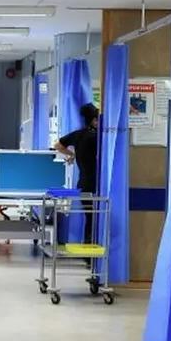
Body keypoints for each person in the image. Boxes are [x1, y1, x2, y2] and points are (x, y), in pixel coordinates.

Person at [53, 102, 100, 244]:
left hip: (83, 183)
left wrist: (73, 154)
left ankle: (88, 254)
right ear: (93, 120)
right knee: (95, 218)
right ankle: (91, 251)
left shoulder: (78, 134)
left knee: (89, 218)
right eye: (97, 119)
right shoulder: (97, 137)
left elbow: (57, 145)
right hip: (95, 183)